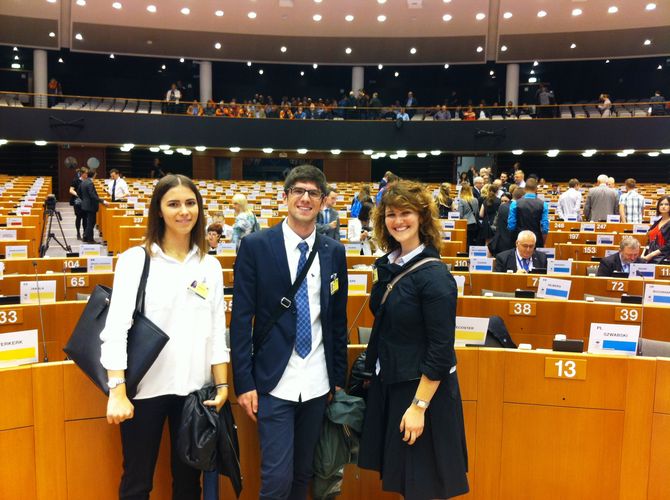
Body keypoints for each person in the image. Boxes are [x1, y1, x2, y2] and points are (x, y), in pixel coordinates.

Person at [100, 174, 229, 499]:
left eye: (190, 203)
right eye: (173, 204)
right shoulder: (136, 260)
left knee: (188, 485)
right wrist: (117, 391)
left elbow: (216, 330)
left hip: (193, 393)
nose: (183, 211)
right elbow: (116, 328)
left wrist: (223, 384)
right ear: (158, 210)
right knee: (137, 482)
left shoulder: (210, 266)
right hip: (143, 391)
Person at [230, 165, 348, 500]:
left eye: (313, 193)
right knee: (276, 479)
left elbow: (336, 321)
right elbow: (241, 320)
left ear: (323, 201)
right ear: (285, 197)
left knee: (302, 476)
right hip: (272, 381)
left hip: (317, 381)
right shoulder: (255, 245)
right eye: (298, 190)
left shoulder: (333, 252)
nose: (305, 198)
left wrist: (337, 379)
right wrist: (245, 382)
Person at [358, 180, 469, 500]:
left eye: (406, 212)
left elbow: (440, 351)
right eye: (391, 214)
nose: (398, 220)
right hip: (393, 384)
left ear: (422, 217)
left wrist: (419, 406)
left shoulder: (435, 276)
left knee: (424, 486)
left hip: (422, 392)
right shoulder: (389, 265)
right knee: (408, 483)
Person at [507, 178, 548, 247]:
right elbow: (545, 228)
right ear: (536, 189)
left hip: (519, 239)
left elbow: (511, 226)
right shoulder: (543, 204)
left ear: (525, 189)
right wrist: (543, 242)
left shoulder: (515, 204)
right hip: (536, 240)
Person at [78, 167, 107, 243]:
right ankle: (90, 239)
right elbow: (93, 195)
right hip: (91, 206)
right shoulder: (90, 183)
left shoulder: (83, 182)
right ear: (94, 175)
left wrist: (84, 200)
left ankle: (86, 237)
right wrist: (102, 201)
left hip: (85, 205)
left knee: (89, 222)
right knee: (91, 223)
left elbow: (79, 193)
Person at [643, 196, 670, 263]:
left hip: (665, 260)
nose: (663, 206)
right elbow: (649, 241)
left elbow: (668, 246)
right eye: (661, 204)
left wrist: (651, 255)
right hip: (651, 258)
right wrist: (643, 254)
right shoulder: (657, 222)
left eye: (666, 204)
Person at [458, 182, 479, 249]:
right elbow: (477, 212)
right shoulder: (475, 200)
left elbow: (460, 215)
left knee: (465, 241)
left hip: (465, 224)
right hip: (474, 223)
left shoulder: (461, 201)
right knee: (471, 241)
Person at [68, 168, 85, 240]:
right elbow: (71, 190)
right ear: (82, 173)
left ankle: (85, 233)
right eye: (85, 173)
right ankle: (78, 233)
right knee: (79, 217)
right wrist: (77, 194)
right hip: (77, 201)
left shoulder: (88, 181)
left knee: (85, 218)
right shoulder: (76, 180)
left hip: (85, 202)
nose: (87, 174)